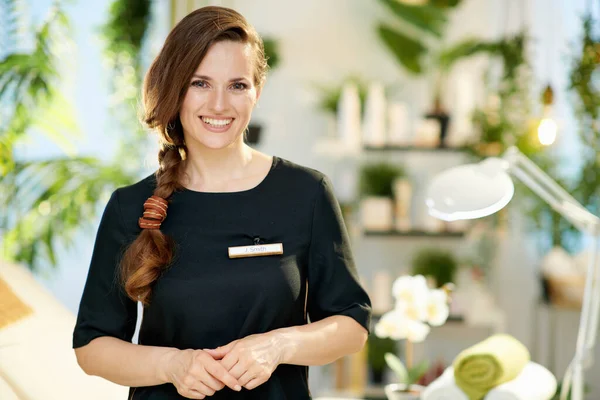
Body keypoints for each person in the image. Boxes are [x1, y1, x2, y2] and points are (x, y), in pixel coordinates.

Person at [73, 6, 372, 400]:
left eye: (237, 85)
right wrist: (172, 366)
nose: (218, 105)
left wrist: (277, 346)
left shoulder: (306, 192)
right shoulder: (131, 206)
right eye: (200, 83)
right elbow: (92, 347)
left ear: (257, 92)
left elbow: (351, 324)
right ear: (175, 90)